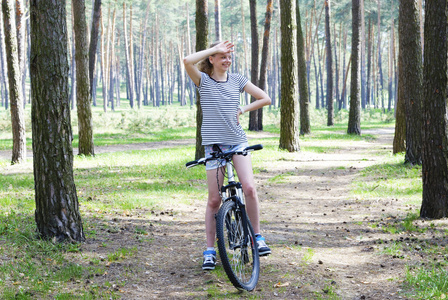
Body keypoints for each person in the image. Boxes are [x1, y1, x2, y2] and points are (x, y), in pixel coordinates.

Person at [183, 40, 272, 270]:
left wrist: (243, 109)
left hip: (237, 141)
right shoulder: (202, 81)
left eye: (229, 56)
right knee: (214, 200)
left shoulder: (237, 80)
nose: (227, 59)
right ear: (211, 59)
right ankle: (210, 250)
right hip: (214, 146)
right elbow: (187, 61)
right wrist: (214, 48)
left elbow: (265, 98)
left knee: (249, 188)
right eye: (222, 56)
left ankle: (257, 236)